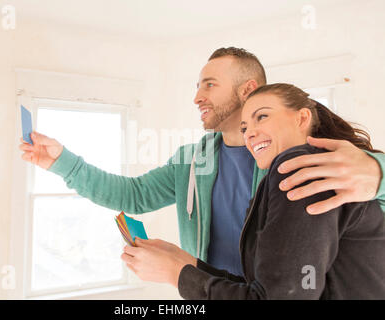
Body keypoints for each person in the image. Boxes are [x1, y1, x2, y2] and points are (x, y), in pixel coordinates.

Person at [19, 47, 385, 277]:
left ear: (248, 89)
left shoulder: (311, 154)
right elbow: (132, 196)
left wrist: (378, 174)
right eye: (197, 85)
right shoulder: (193, 161)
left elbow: (368, 217)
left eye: (209, 84)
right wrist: (62, 162)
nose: (196, 96)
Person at [121, 83, 385, 299]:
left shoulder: (299, 166)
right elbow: (265, 290)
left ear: (302, 118)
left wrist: (176, 273)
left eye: (262, 116)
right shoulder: (297, 173)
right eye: (245, 127)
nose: (249, 133)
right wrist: (185, 264)